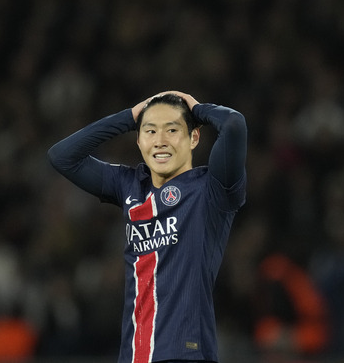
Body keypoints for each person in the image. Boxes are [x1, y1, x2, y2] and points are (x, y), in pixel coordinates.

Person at [48, 91, 247, 363]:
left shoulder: (211, 190)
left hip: (186, 354)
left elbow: (234, 124)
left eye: (172, 130)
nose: (160, 141)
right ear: (139, 141)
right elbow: (62, 156)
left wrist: (197, 108)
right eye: (150, 131)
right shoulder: (130, 185)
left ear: (194, 138)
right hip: (133, 356)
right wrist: (129, 116)